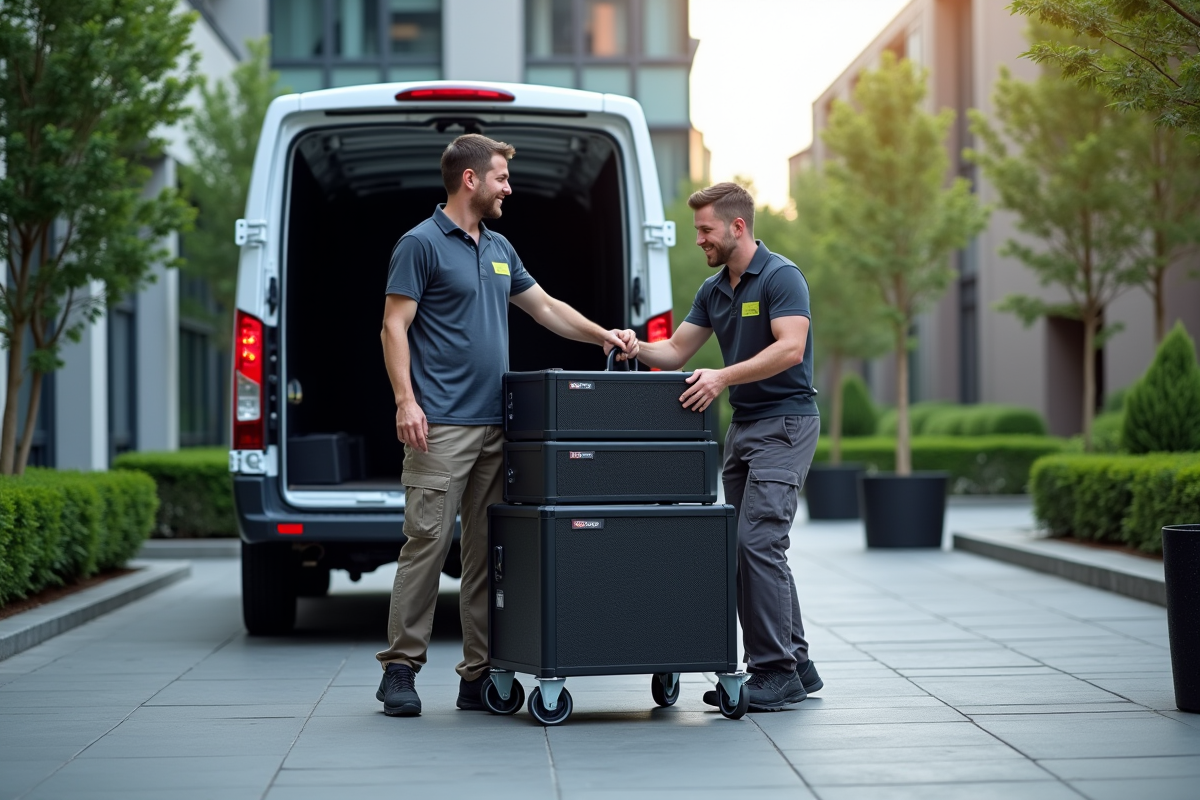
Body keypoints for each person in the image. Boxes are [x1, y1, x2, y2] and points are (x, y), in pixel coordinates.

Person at [376, 133, 637, 716]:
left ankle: (479, 674)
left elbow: (545, 308)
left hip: (497, 426)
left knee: (487, 554)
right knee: (426, 543)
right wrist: (405, 401)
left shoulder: (498, 247)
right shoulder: (419, 245)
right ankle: (400, 668)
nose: (508, 188)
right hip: (439, 425)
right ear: (470, 180)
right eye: (500, 177)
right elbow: (394, 326)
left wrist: (605, 334)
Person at [629, 182, 822, 711]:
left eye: (705, 230)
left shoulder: (782, 278)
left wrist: (720, 377)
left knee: (759, 542)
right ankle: (797, 662)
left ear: (738, 226)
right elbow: (672, 352)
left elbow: (790, 348)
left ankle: (775, 671)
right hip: (745, 429)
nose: (699, 240)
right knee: (743, 546)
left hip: (785, 424)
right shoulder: (715, 290)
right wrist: (632, 344)